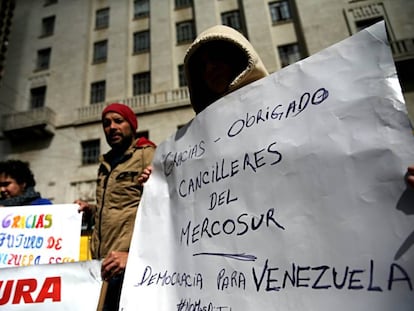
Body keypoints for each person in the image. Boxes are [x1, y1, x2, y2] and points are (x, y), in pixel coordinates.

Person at [75, 102, 156, 311]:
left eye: (118, 121)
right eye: (106, 123)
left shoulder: (147, 154)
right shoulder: (105, 165)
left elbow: (161, 210)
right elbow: (116, 207)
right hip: (102, 267)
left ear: (132, 125)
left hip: (129, 266)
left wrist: (134, 256)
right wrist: (89, 209)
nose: (111, 127)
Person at [184, 24, 269, 114]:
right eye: (202, 67)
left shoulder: (278, 102)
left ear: (237, 57)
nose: (209, 69)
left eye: (215, 57)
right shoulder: (204, 126)